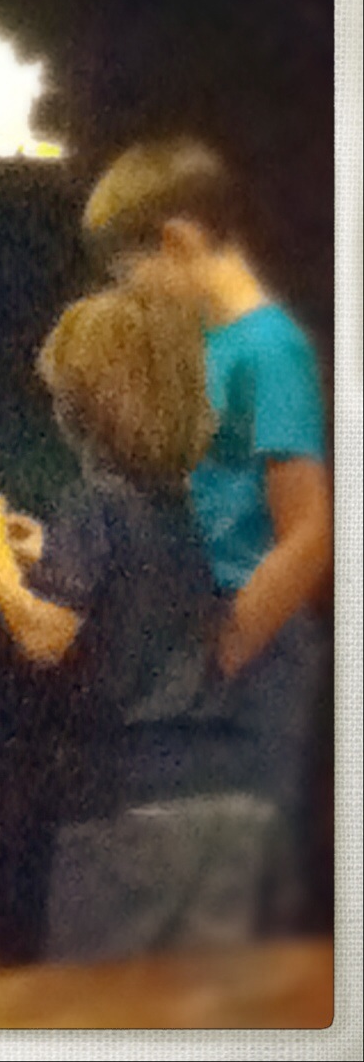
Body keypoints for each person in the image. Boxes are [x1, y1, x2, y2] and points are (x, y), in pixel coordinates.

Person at [0, 285, 280, 961]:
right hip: (228, 800)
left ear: (92, 407)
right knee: (206, 1005)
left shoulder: (96, 503)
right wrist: (46, 552)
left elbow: (44, 636)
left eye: (66, 399)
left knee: (99, 1006)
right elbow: (142, 588)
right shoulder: (192, 510)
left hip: (127, 807)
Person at [82, 138, 332, 933]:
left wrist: (225, 650)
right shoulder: (203, 347)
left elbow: (310, 531)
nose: (132, 299)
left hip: (254, 655)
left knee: (239, 881)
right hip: (197, 635)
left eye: (132, 277)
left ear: (179, 242)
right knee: (184, 879)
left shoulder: (269, 349)